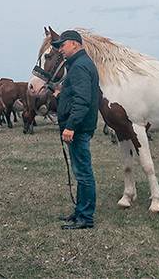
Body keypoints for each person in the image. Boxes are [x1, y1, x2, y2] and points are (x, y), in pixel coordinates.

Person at [52, 30, 100, 230]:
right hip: (80, 127)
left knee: (83, 173)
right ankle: (80, 211)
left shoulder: (79, 66)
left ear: (74, 44)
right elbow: (76, 95)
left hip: (78, 128)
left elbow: (82, 100)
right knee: (80, 171)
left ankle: (85, 218)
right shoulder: (80, 64)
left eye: (62, 45)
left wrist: (71, 126)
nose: (60, 50)